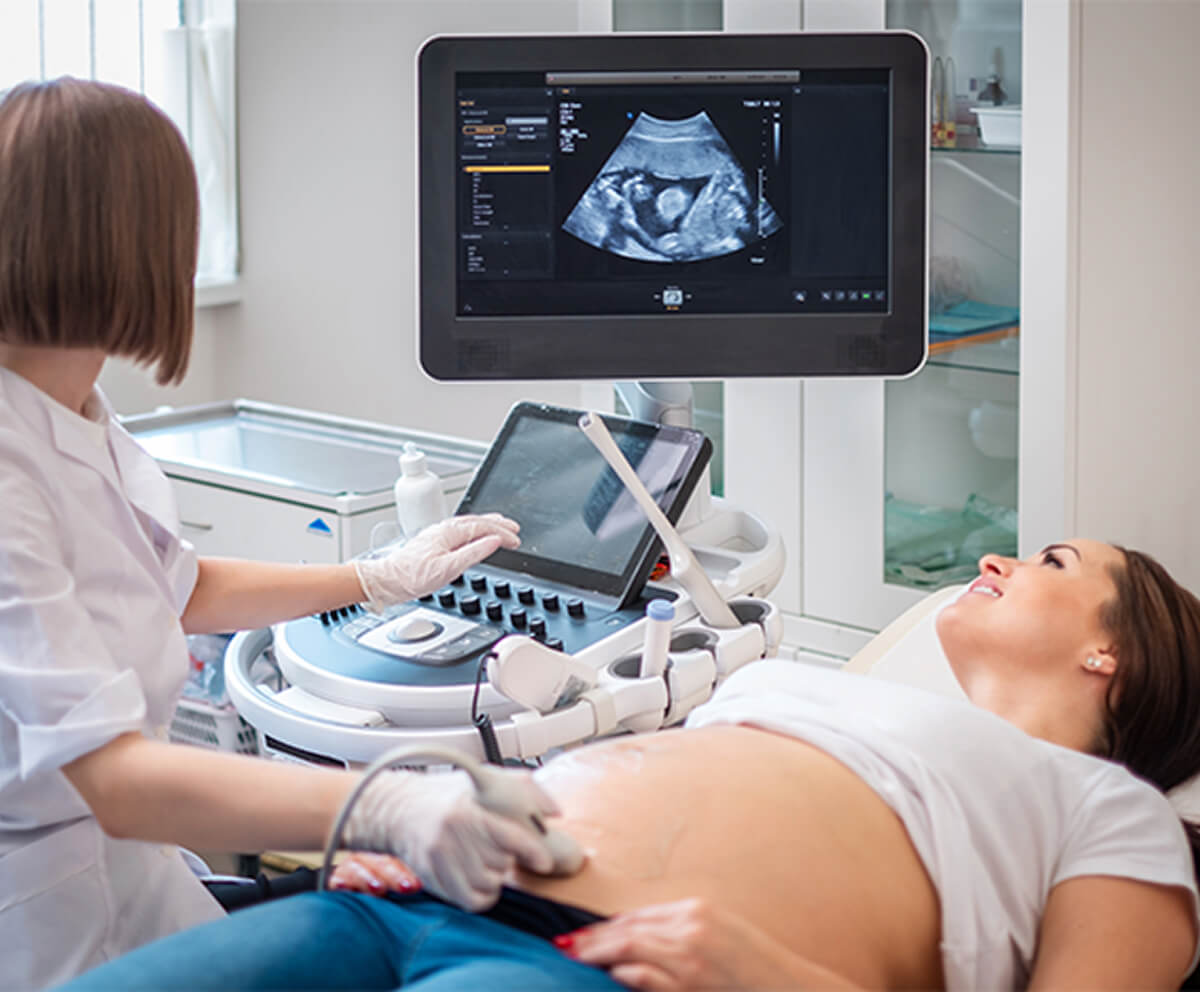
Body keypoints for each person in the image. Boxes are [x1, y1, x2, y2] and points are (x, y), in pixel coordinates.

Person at [57, 538, 1200, 991]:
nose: (1002, 556)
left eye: (1053, 558)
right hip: (409, 893)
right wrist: (413, 818)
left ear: (1113, 650)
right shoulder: (808, 682)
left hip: (598, 966)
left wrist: (775, 977)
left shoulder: (1110, 813)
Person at [0, 77, 566, 990]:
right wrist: (379, 807)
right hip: (46, 925)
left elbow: (174, 587)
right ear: (132, 242)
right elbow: (116, 783)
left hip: (143, 886)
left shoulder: (76, 409)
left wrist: (377, 575)